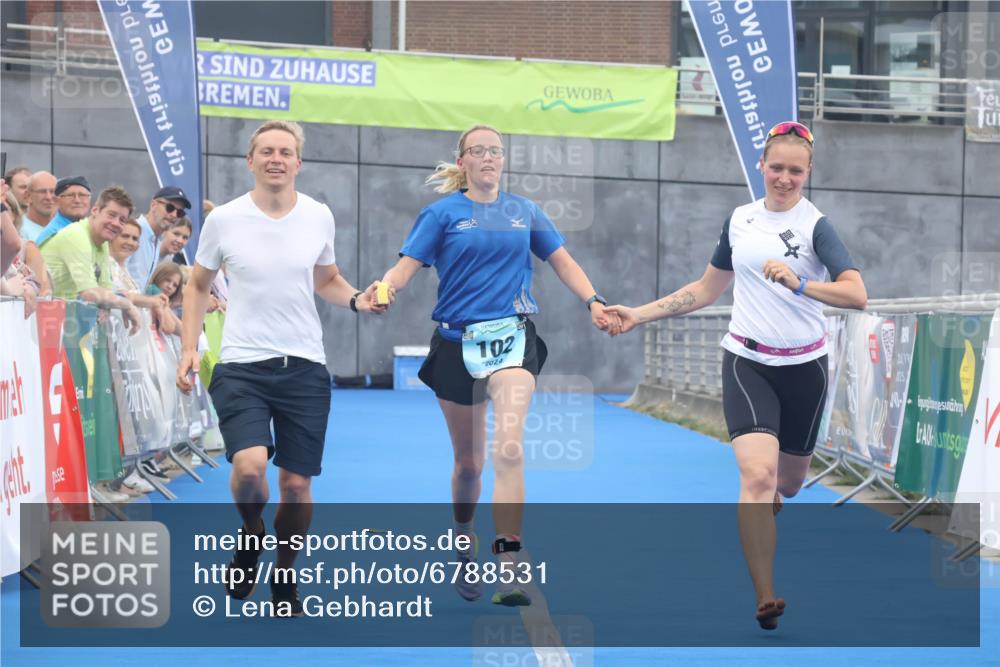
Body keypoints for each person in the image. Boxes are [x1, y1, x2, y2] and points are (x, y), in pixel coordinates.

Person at [604, 121, 867, 630]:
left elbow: (856, 294)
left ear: (808, 172)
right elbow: (704, 290)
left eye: (795, 170)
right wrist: (639, 312)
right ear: (761, 167)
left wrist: (800, 284)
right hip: (747, 361)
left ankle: (773, 497)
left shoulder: (817, 227)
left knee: (787, 486)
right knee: (756, 475)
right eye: (776, 168)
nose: (784, 178)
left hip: (805, 367)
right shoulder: (740, 221)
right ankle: (765, 594)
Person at [379, 124, 619, 607]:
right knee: (469, 464)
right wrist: (382, 291)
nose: (489, 157)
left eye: (496, 151)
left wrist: (593, 300)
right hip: (455, 344)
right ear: (463, 161)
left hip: (512, 338)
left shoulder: (523, 212)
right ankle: (464, 543)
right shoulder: (442, 214)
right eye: (479, 151)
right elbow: (404, 268)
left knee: (508, 446)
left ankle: (510, 563)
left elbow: (563, 261)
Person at [175, 119, 389, 617]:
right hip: (241, 365)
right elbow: (197, 285)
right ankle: (252, 532)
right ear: (250, 161)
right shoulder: (224, 219)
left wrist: (357, 300)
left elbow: (328, 278)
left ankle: (286, 572)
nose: (276, 158)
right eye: (266, 150)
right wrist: (190, 346)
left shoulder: (318, 216)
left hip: (305, 367)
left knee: (296, 485)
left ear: (298, 162)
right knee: (249, 467)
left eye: (285, 151)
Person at [39, 184, 141, 333]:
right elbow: (89, 293)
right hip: (42, 321)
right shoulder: (77, 235)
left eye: (122, 220)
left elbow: (105, 289)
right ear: (95, 210)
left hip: (62, 321)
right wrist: (127, 305)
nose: (115, 223)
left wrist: (106, 304)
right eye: (111, 215)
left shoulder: (102, 242)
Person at [109, 219, 178, 334]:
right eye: (125, 236)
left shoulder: (126, 272)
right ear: (112, 237)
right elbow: (119, 295)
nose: (130, 242)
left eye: (135, 239)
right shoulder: (105, 265)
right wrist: (153, 301)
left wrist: (158, 304)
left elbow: (169, 327)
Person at [126, 185, 192, 289]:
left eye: (180, 212)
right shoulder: (133, 231)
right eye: (170, 208)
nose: (174, 215)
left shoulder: (156, 240)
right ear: (153, 205)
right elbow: (115, 275)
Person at [35, 175, 91, 246]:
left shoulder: (93, 230)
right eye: (70, 195)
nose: (77, 200)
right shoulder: (52, 235)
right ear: (57, 201)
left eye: (82, 195)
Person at [20, 171, 57, 243]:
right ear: (28, 196)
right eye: (42, 192)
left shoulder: (65, 227)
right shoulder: (18, 229)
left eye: (53, 191)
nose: (49, 197)